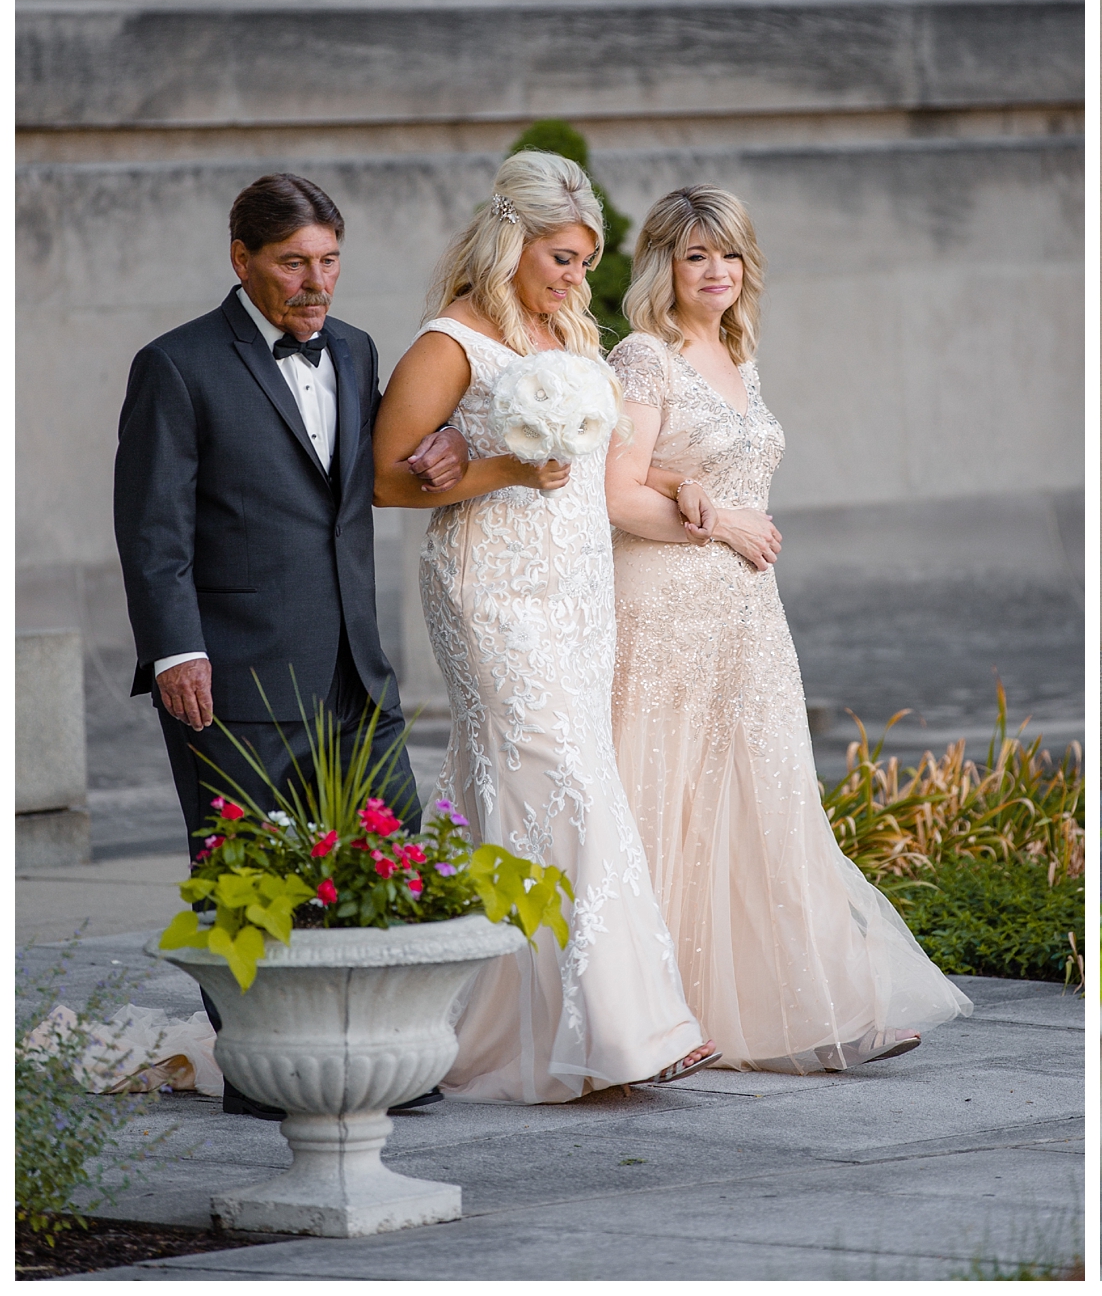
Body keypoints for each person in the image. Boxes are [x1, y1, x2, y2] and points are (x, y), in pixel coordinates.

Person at [114, 173, 464, 1119]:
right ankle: (266, 1070)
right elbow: (154, 531)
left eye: (330, 261)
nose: (317, 282)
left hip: (356, 663)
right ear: (242, 259)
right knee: (246, 874)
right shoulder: (177, 365)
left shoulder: (355, 350)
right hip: (232, 670)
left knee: (388, 859)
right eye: (294, 263)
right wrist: (177, 650)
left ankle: (394, 1058)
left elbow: (395, 460)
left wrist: (448, 449)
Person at [603, 186, 972, 1072]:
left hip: (746, 615)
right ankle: (647, 1016)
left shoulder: (738, 350)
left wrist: (718, 512)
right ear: (664, 264)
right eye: (696, 255)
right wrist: (718, 519)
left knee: (766, 800)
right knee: (667, 800)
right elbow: (615, 496)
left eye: (727, 253)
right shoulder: (644, 357)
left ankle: (811, 1006)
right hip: (665, 610)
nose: (716, 270)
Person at [372, 150, 717, 1102]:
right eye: (560, 257)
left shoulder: (569, 328)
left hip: (575, 586)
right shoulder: (450, 341)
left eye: (585, 258)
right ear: (510, 241)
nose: (576, 276)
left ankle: (502, 1017)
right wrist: (499, 469)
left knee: (538, 787)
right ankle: (630, 1027)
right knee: (563, 771)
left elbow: (605, 461)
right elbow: (384, 479)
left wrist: (675, 481)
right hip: (491, 586)